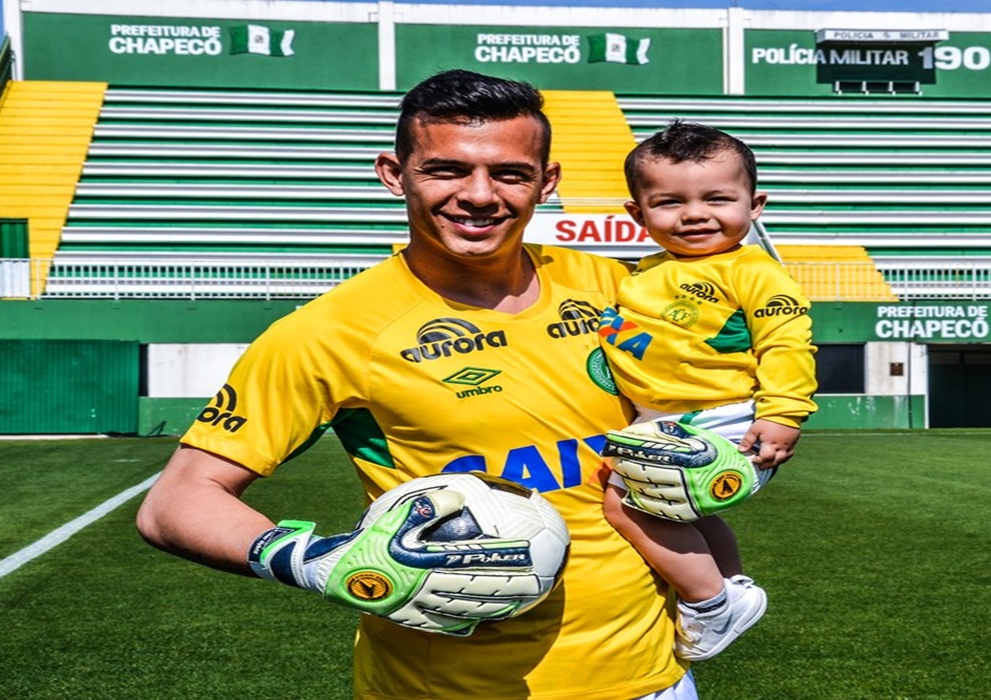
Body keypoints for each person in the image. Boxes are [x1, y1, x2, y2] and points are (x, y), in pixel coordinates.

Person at [135, 70, 692, 700]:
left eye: (510, 173)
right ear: (394, 174)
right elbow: (175, 503)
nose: (479, 195)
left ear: (548, 181)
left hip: (656, 679)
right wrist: (320, 561)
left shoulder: (619, 287)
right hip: (449, 687)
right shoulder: (330, 331)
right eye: (446, 170)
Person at [598, 121, 818, 661]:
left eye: (718, 198)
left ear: (754, 203)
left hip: (721, 416)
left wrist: (784, 413)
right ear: (637, 214)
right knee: (685, 514)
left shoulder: (754, 271)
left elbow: (787, 342)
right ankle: (732, 585)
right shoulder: (640, 275)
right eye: (670, 202)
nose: (695, 214)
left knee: (624, 504)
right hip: (663, 419)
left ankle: (710, 601)